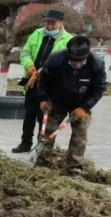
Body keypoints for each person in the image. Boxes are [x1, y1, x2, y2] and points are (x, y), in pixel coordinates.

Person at [36, 36, 107, 177]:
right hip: (57, 100)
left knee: (79, 136)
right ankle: (42, 163)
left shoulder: (96, 64)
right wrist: (43, 98)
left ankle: (74, 168)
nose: (76, 63)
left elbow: (100, 88)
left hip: (81, 102)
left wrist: (85, 107)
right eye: (73, 60)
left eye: (79, 61)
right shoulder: (55, 60)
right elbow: (43, 80)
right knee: (47, 132)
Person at [12, 10, 73, 154]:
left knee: (44, 116)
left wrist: (42, 72)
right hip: (32, 82)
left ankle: (41, 145)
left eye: (53, 23)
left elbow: (62, 63)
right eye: (47, 22)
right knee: (29, 114)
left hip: (49, 86)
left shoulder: (68, 40)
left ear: (61, 22)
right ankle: (25, 142)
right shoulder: (37, 34)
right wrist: (29, 67)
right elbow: (25, 52)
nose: (49, 26)